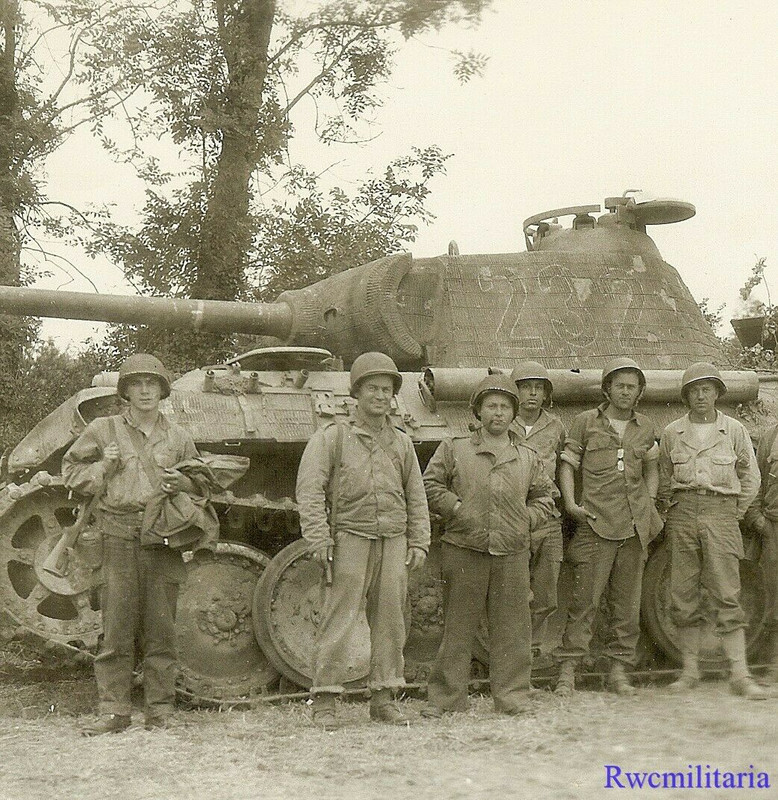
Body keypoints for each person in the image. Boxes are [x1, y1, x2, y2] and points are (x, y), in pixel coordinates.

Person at [62, 353, 203, 735]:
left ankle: (160, 710)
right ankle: (114, 711)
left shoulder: (178, 436)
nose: (145, 390)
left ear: (162, 390)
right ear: (124, 391)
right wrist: (103, 467)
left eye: (151, 383)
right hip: (117, 534)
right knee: (116, 629)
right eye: (136, 384)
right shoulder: (103, 430)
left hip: (161, 536)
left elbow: (200, 482)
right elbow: (72, 474)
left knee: (161, 629)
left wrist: (182, 484)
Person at [296, 352, 430, 730]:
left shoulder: (402, 443)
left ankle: (384, 696)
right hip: (349, 538)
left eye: (386, 389)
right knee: (338, 620)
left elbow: (415, 495)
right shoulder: (333, 437)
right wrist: (319, 538)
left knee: (391, 621)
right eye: (372, 387)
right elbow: (310, 490)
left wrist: (419, 541)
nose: (380, 395)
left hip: (393, 539)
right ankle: (325, 699)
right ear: (356, 393)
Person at [422, 373, 555, 716]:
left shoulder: (527, 457)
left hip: (511, 550)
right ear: (478, 412)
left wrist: (527, 519)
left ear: (513, 414)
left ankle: (512, 698)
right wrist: (456, 509)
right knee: (457, 627)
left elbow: (545, 498)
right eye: (491, 406)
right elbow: (431, 484)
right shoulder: (454, 448)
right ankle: (446, 701)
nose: (498, 413)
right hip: (465, 547)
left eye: (504, 407)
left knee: (513, 629)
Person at [555, 357, 663, 697]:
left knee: (626, 605)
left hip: (633, 528)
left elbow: (653, 468)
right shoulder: (586, 422)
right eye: (620, 385)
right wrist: (571, 504)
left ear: (640, 392)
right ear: (607, 389)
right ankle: (567, 672)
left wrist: (648, 504)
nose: (626, 391)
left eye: (632, 386)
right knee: (584, 601)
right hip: (595, 524)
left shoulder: (645, 426)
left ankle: (618, 672)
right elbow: (568, 465)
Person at [658, 362, 764, 699]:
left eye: (707, 389)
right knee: (683, 591)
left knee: (727, 591)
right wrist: (670, 509)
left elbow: (751, 476)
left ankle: (740, 674)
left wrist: (735, 511)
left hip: (722, 514)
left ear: (717, 393)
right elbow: (662, 476)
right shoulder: (672, 432)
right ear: (686, 396)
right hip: (682, 513)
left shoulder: (733, 430)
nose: (701, 395)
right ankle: (690, 671)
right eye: (694, 390)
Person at [509, 361, 565, 665]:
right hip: (512, 515)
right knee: (513, 593)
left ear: (545, 394)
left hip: (547, 516)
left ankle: (530, 655)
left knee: (545, 595)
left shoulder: (555, 426)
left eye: (538, 388)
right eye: (525, 387)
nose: (532, 393)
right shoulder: (503, 421)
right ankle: (510, 658)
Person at [745, 423, 778, 683]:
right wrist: (758, 520)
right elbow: (757, 482)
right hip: (774, 527)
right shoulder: (772, 435)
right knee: (774, 594)